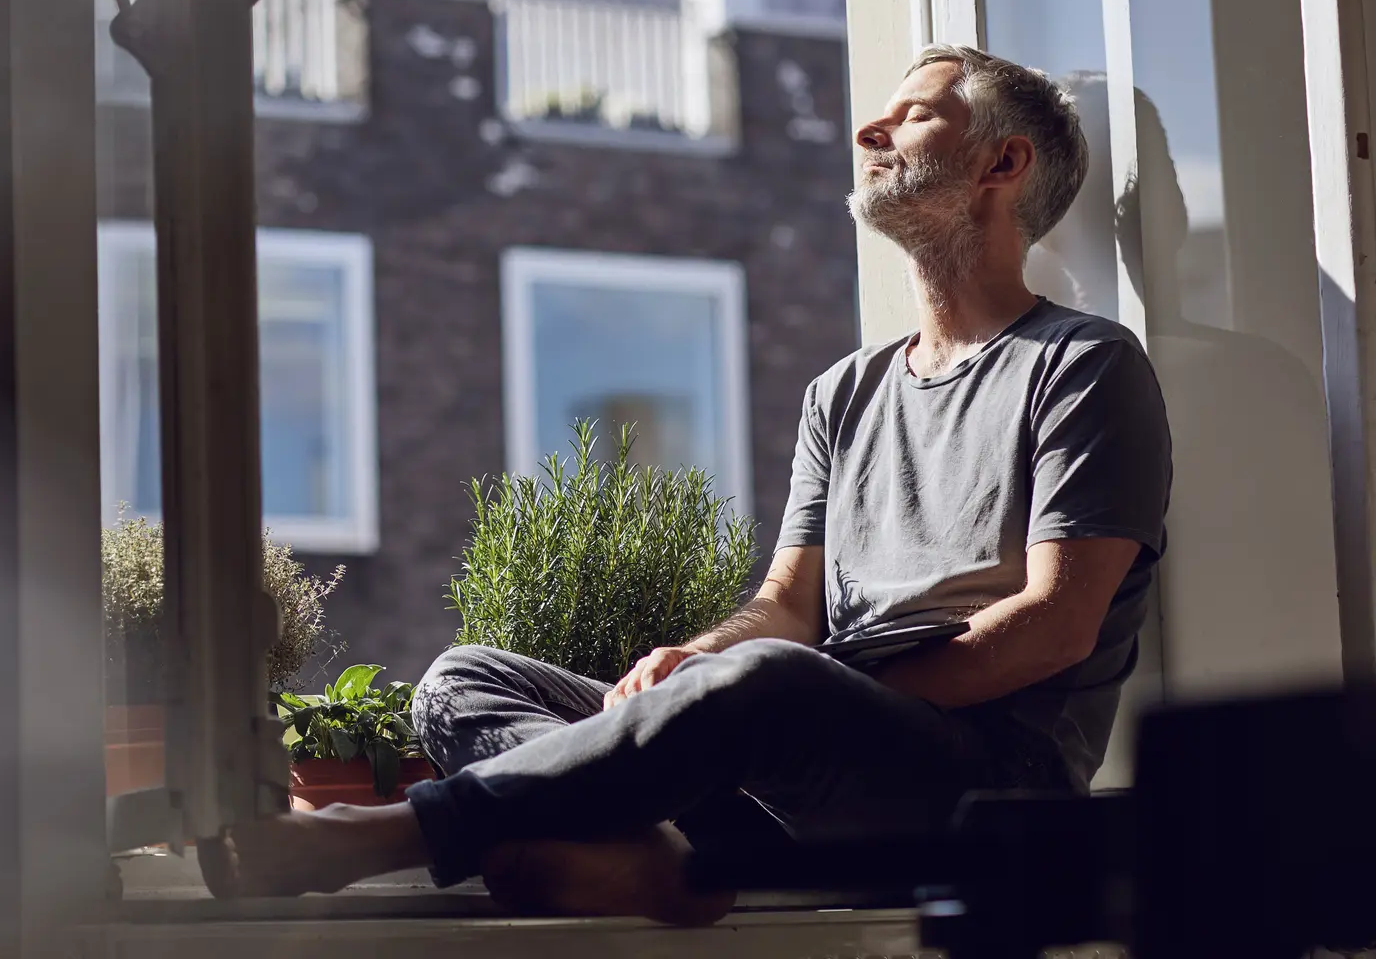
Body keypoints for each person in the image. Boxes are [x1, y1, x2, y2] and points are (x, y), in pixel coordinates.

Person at [199, 45, 1171, 924]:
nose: (870, 130)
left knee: (766, 681)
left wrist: (792, 684)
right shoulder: (846, 391)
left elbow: (1056, 622)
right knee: (467, 679)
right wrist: (690, 658)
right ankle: (658, 862)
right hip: (794, 770)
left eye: (915, 113)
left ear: (1003, 165)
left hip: (974, 784)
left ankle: (382, 836)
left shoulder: (1083, 364)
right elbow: (787, 604)